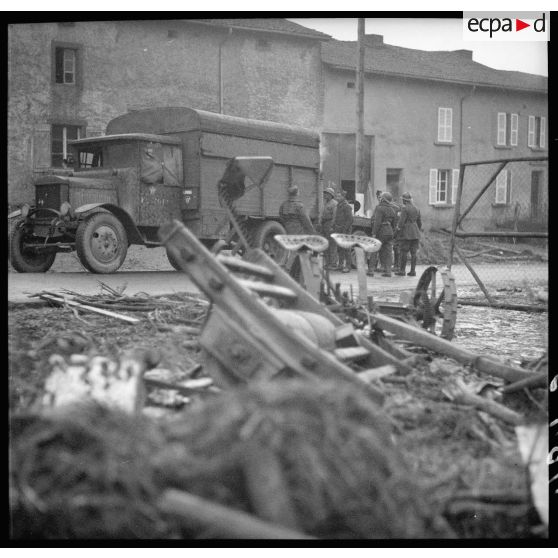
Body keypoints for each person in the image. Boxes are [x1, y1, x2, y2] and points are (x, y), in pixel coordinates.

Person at [368, 191, 397, 277]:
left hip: (381, 231)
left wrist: (374, 233)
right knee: (388, 252)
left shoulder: (379, 208)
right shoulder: (393, 209)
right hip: (390, 232)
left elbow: (377, 222)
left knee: (374, 250)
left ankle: (371, 270)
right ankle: (388, 271)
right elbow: (394, 224)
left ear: (383, 199)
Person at [394, 191, 422, 276]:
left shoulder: (404, 208)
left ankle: (402, 271)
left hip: (407, 233)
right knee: (414, 253)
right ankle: (413, 271)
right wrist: (417, 230)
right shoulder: (417, 208)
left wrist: (397, 229)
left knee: (404, 251)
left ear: (405, 201)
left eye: (402, 200)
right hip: (416, 233)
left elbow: (401, 222)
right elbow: (419, 223)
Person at [332, 190, 353, 273]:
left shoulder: (347, 206)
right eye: (336, 196)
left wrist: (344, 229)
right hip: (339, 229)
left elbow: (350, 219)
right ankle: (340, 265)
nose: (337, 198)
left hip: (345, 231)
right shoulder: (339, 205)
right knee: (340, 248)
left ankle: (348, 266)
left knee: (347, 248)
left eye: (339, 196)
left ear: (343, 197)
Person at [320, 187, 338, 269]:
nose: (325, 195)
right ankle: (328, 263)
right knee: (326, 244)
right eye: (325, 193)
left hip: (330, 224)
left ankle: (333, 263)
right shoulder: (326, 203)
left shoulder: (334, 203)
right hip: (325, 224)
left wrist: (332, 226)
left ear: (331, 195)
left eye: (326, 193)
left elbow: (335, 216)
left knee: (332, 245)